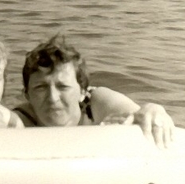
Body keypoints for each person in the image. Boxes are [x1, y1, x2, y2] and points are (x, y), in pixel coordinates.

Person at [13, 34, 175, 148]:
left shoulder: (96, 102)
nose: (53, 98)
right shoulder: (18, 121)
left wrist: (154, 109)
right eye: (40, 88)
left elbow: (138, 113)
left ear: (83, 91)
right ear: (26, 95)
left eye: (63, 87)